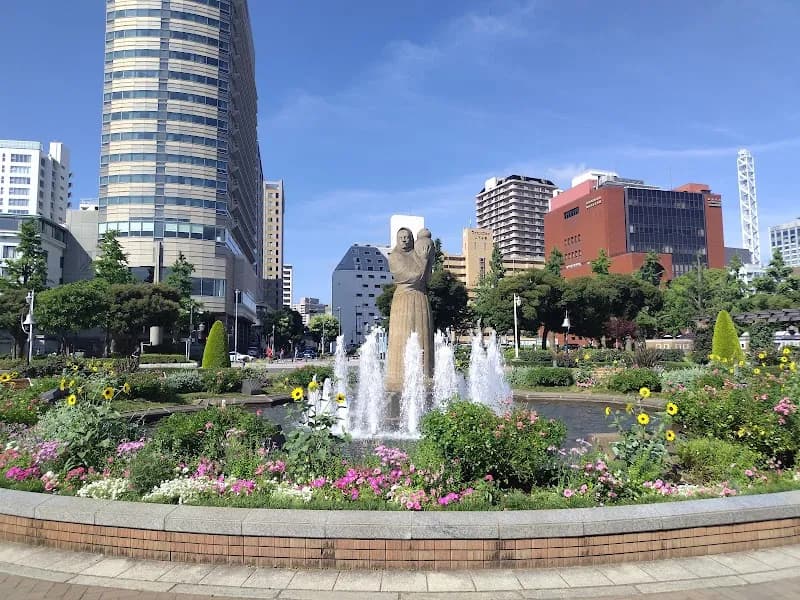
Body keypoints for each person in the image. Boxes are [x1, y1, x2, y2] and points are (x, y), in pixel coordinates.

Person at [385, 227, 435, 392]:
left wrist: (429, 258)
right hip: (403, 301)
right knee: (402, 339)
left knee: (422, 338)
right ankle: (397, 381)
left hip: (421, 298)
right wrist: (425, 260)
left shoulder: (417, 254)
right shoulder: (394, 257)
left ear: (412, 239)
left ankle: (425, 379)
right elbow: (412, 277)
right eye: (401, 237)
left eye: (407, 237)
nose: (404, 240)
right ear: (397, 240)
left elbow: (426, 279)